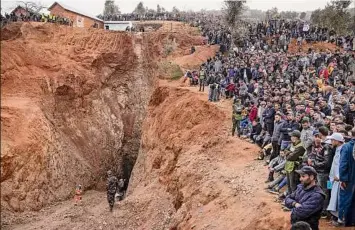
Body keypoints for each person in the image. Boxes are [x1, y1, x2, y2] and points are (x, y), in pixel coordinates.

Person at [285, 166, 325, 230]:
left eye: (303, 176)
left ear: (311, 177)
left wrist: (292, 209)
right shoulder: (300, 188)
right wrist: (295, 204)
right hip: (296, 226)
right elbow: (287, 199)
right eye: (300, 176)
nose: (300, 179)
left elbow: (300, 213)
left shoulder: (317, 195)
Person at [327, 133, 345, 226]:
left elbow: (344, 165)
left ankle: (340, 219)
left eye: (333, 140)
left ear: (337, 141)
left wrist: (339, 176)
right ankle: (334, 217)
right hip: (332, 178)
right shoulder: (336, 149)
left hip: (339, 179)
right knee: (332, 197)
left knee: (338, 199)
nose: (331, 142)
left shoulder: (343, 150)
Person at [338, 129, 355, 226]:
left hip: (349, 178)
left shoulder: (347, 146)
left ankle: (345, 220)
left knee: (346, 199)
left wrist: (343, 178)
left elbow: (343, 164)